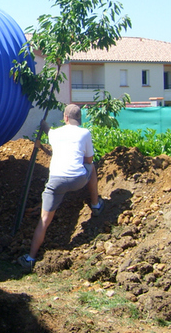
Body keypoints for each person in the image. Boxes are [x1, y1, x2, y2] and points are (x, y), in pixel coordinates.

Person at [18, 104, 104, 273]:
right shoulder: (85, 133)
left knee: (43, 221)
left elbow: (49, 130)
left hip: (55, 182)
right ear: (79, 119)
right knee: (92, 167)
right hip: (77, 179)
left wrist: (44, 125)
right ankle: (95, 205)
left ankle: (30, 258)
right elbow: (88, 160)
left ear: (65, 118)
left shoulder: (55, 134)